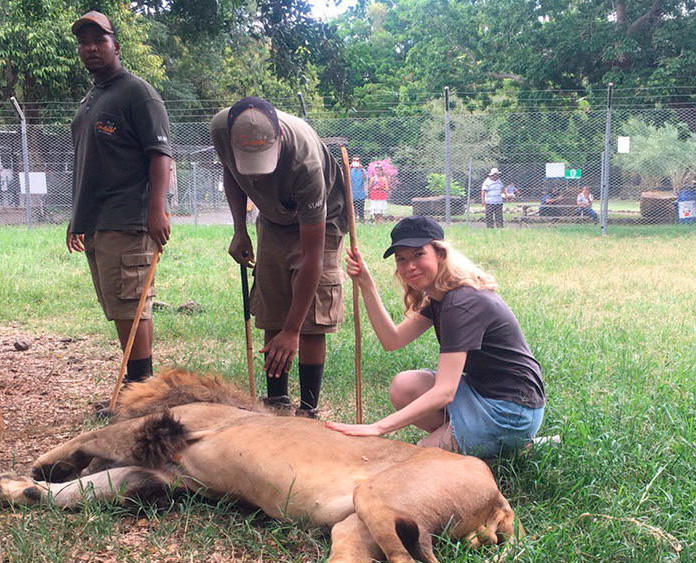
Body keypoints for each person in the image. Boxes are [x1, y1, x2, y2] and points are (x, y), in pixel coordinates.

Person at [325, 216, 545, 458]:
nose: (409, 266)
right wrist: (366, 284)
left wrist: (378, 427)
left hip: (511, 411)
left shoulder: (461, 303)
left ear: (440, 254)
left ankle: (505, 441)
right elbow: (392, 340)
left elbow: (445, 391)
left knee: (421, 456)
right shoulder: (442, 296)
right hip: (482, 394)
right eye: (402, 259)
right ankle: (476, 440)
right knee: (404, 386)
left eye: (419, 254)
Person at [211, 96, 347, 417]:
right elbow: (233, 173)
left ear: (280, 138)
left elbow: (312, 255)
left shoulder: (306, 163)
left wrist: (293, 331)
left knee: (310, 318)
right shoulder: (220, 128)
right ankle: (276, 403)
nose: (257, 175)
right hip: (273, 217)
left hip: (321, 220)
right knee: (272, 303)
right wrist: (239, 229)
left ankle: (309, 410)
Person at [67, 10, 172, 387]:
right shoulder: (94, 96)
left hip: (128, 220)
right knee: (119, 308)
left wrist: (156, 210)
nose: (91, 48)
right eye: (84, 42)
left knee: (132, 307)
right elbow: (88, 162)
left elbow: (159, 154)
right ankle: (136, 387)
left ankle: (141, 394)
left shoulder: (137, 93)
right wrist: (77, 218)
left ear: (116, 45)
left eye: (99, 40)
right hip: (97, 222)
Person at [350, 157, 367, 222]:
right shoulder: (351, 170)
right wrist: (350, 167)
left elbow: (365, 179)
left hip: (361, 194)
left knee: (361, 210)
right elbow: (345, 176)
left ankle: (361, 221)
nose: (356, 162)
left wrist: (362, 169)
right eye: (354, 160)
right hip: (352, 194)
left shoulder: (363, 171)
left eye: (357, 160)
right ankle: (353, 222)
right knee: (353, 210)